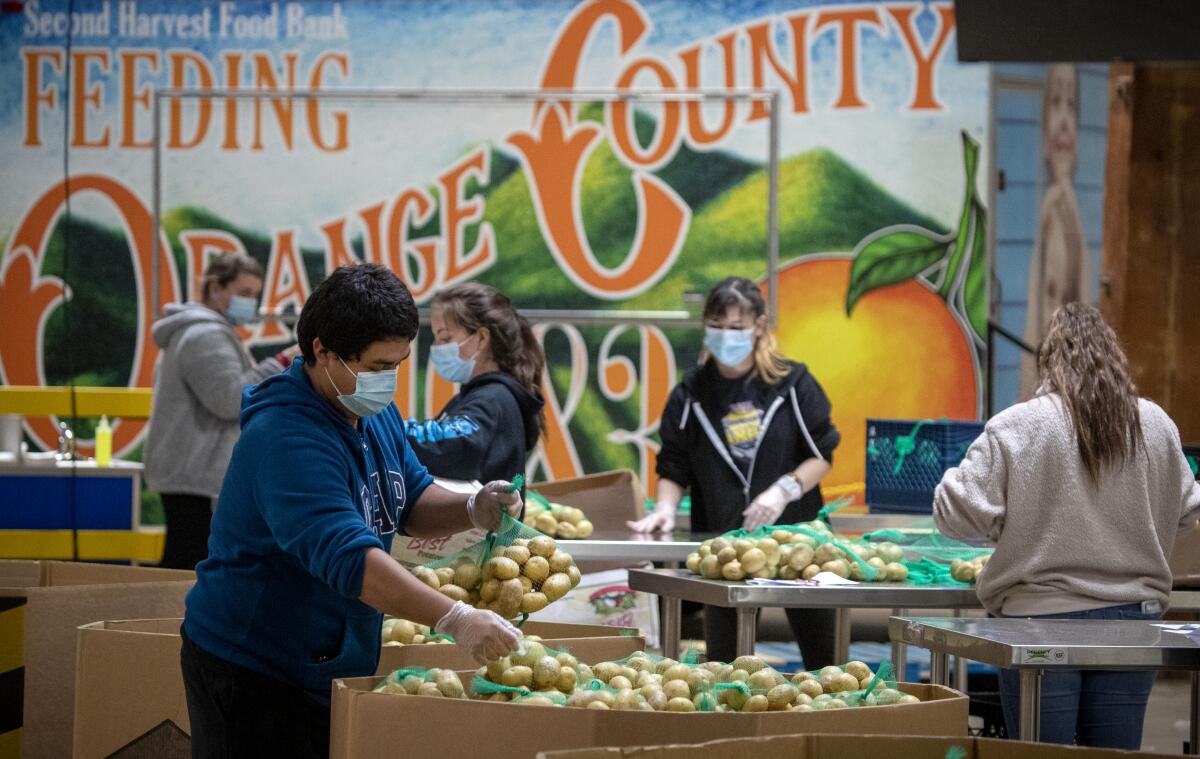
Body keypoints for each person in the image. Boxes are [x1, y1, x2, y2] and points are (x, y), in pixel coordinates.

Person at [181, 264, 522, 758]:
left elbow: (409, 495)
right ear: (322, 351)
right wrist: (455, 617)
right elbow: (349, 557)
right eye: (379, 367)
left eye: (399, 364)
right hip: (254, 668)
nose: (390, 381)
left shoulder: (371, 410)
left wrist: (473, 507)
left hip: (326, 660)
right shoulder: (286, 438)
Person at [934, 303, 1200, 749]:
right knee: (1114, 755)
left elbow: (956, 516)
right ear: (1117, 357)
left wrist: (969, 491)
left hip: (1036, 622)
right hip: (1132, 624)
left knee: (1041, 753)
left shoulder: (1018, 425)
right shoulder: (1154, 424)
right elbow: (1190, 510)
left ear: (1048, 360)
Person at [628, 276, 841, 667]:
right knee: (725, 664)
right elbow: (674, 464)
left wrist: (783, 490)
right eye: (718, 327)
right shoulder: (690, 393)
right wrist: (664, 508)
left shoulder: (793, 383)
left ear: (759, 326)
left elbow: (822, 453)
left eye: (737, 328)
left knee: (826, 662)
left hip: (800, 544)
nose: (727, 337)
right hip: (727, 547)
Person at [145, 252, 299, 569]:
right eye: (243, 293)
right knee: (187, 567)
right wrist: (284, 360)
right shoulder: (205, 336)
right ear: (215, 288)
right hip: (194, 477)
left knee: (186, 561)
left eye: (255, 295)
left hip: (191, 473)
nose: (250, 303)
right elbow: (230, 398)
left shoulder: (207, 332)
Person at [405, 283, 545, 486]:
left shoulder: (492, 398)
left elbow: (450, 446)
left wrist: (388, 429)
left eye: (445, 338)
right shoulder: (483, 396)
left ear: (481, 338)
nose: (436, 347)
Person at [1021, 63, 1091, 400]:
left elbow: (1082, 288)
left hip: (1072, 359)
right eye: (1055, 103)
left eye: (1072, 105)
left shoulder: (1068, 207)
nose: (1064, 120)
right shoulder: (1047, 209)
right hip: (1045, 356)